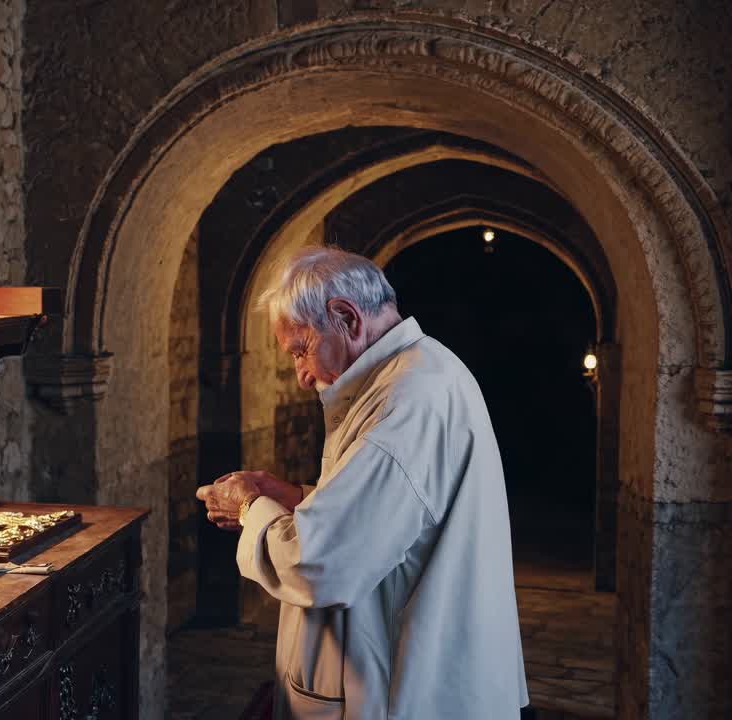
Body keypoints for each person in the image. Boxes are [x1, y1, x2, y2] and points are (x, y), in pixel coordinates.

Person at [196, 246, 528, 719]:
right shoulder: (416, 373)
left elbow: (321, 563)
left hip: (401, 691)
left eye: (300, 350)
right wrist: (298, 499)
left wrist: (251, 507)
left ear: (347, 318)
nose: (302, 375)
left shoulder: (408, 398)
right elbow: (397, 516)